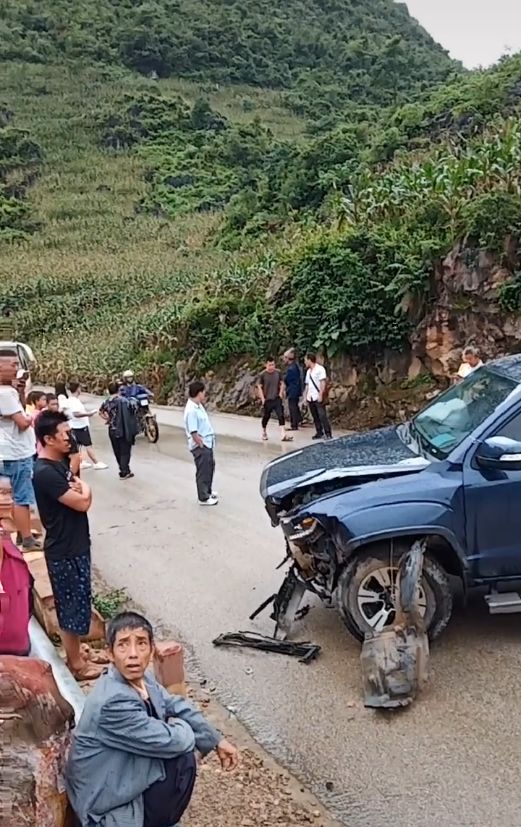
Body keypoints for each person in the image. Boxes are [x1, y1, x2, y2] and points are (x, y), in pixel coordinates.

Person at [66, 611, 238, 827]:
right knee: (183, 757)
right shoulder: (112, 701)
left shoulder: (143, 679)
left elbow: (176, 704)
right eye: (123, 645)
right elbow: (177, 740)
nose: (133, 654)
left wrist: (216, 740)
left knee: (179, 747)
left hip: (119, 775)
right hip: (103, 808)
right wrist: (179, 727)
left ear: (151, 649)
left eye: (141, 644)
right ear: (110, 653)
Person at [33, 411, 102, 680]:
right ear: (48, 439)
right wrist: (86, 488)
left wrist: (80, 485)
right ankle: (76, 664)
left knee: (79, 602)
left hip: (77, 544)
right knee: (69, 607)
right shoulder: (44, 473)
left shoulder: (58, 465)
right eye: (64, 434)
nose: (69, 438)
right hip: (63, 549)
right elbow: (82, 501)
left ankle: (78, 652)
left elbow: (76, 486)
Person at [0, 349, 40, 550]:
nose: (17, 368)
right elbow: (23, 421)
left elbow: (20, 409)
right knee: (21, 497)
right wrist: (33, 417)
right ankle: (26, 539)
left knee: (13, 496)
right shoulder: (5, 393)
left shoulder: (9, 392)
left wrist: (21, 392)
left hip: (8, 451)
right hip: (15, 453)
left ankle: (20, 532)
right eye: (13, 365)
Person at [184, 381, 218, 506]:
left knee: (209, 468)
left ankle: (207, 491)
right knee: (203, 470)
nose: (205, 395)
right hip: (201, 445)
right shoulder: (191, 410)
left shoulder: (198, 405)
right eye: (204, 392)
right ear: (199, 393)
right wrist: (201, 445)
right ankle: (203, 497)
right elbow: (193, 432)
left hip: (207, 443)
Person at [100, 382, 137, 480]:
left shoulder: (107, 401)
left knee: (117, 451)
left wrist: (108, 419)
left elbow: (100, 412)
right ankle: (124, 472)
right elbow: (133, 410)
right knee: (125, 451)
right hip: (122, 429)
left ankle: (124, 469)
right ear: (119, 389)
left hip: (112, 429)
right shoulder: (123, 401)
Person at [67, 381, 108, 471]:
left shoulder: (71, 400)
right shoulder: (74, 402)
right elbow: (76, 413)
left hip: (75, 425)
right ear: (78, 389)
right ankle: (96, 462)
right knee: (88, 445)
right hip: (80, 426)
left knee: (78, 445)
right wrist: (89, 414)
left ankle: (81, 461)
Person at [257, 357, 293, 443]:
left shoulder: (278, 372)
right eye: (269, 365)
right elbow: (259, 387)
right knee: (266, 416)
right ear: (266, 365)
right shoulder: (262, 375)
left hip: (276, 398)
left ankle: (283, 434)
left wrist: (281, 393)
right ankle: (264, 431)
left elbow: (282, 383)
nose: (271, 367)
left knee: (280, 415)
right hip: (267, 399)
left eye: (273, 365)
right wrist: (262, 398)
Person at [304, 352, 332, 441]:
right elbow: (307, 385)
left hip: (317, 395)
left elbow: (322, 383)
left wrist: (320, 394)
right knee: (315, 415)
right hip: (310, 396)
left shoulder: (320, 369)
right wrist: (305, 397)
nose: (305, 362)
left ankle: (328, 432)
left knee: (322, 415)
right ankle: (319, 431)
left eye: (305, 360)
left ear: (309, 360)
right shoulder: (308, 372)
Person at [283, 348, 303, 431]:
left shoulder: (291, 369)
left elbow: (287, 380)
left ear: (288, 358)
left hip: (292, 390)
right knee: (294, 406)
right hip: (295, 389)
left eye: (285, 358)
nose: (284, 360)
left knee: (292, 407)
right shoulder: (295, 366)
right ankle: (299, 419)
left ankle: (294, 424)